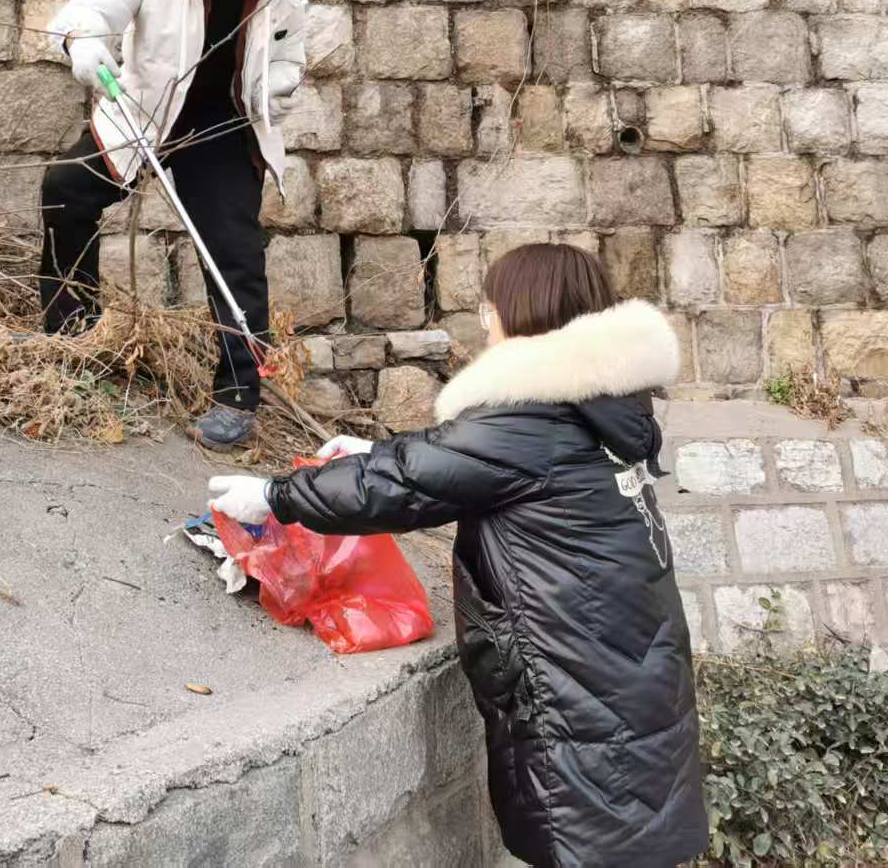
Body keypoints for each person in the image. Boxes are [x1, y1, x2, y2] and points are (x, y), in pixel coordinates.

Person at [206, 243, 708, 868]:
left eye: (489, 308)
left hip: (579, 709)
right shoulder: (601, 407)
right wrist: (370, 449)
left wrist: (276, 496)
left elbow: (408, 483)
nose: (485, 322)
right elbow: (455, 462)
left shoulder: (531, 418)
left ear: (521, 312)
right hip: (626, 691)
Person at [41, 0, 308, 450]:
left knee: (235, 252)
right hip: (148, 112)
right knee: (67, 190)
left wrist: (278, 85)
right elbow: (91, 11)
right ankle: (72, 332)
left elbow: (292, 55)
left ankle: (237, 396)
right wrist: (83, 42)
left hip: (222, 126)